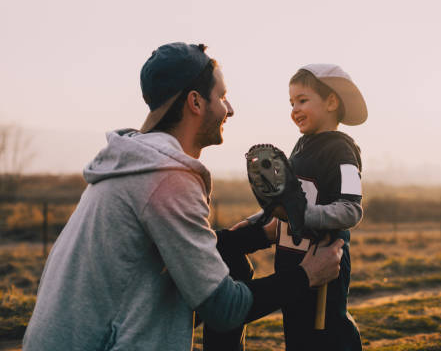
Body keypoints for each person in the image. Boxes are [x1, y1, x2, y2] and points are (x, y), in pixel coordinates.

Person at [22, 42, 344, 351]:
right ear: (195, 102)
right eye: (222, 96)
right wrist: (307, 275)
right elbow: (224, 307)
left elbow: (173, 252)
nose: (229, 109)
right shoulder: (167, 179)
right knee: (229, 279)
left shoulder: (131, 164)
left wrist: (260, 235)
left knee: (229, 261)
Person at [240, 64, 367, 350]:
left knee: (328, 336)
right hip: (292, 264)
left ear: (332, 102)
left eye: (302, 100)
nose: (294, 109)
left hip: (325, 268)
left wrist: (305, 216)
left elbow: (351, 209)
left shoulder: (343, 151)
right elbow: (287, 202)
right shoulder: (300, 147)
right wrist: (255, 221)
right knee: (297, 335)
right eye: (291, 102)